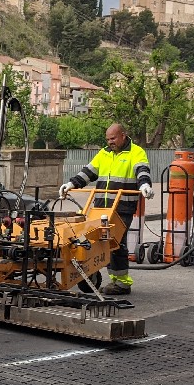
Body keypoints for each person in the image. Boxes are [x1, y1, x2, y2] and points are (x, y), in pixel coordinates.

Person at [59, 122, 153, 295]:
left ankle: (122, 283)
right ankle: (90, 273)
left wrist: (145, 185)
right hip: (101, 207)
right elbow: (88, 172)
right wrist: (71, 184)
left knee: (115, 243)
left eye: (113, 138)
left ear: (123, 135)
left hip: (122, 207)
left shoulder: (136, 152)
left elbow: (142, 170)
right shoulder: (104, 153)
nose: (110, 142)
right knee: (91, 240)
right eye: (108, 139)